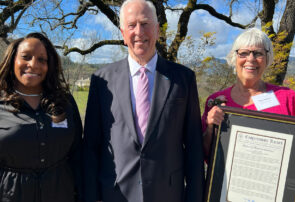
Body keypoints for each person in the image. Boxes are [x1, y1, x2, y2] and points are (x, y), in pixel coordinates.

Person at [83, 0, 204, 201]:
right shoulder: (101, 80)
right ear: (123, 34)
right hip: (116, 194)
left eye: (145, 23)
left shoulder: (183, 79)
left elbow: (193, 147)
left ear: (157, 30)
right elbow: (91, 147)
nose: (139, 31)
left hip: (168, 194)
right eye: (131, 25)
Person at [202, 28, 295, 201]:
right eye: (244, 53)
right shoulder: (217, 101)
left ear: (267, 59)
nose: (250, 59)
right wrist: (211, 126)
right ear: (234, 58)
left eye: (258, 53)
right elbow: (206, 155)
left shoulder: (286, 97)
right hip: (228, 193)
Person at [0, 32, 82, 202]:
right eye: (26, 57)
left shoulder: (64, 102)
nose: (33, 64)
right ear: (13, 60)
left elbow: (77, 153)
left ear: (49, 65)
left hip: (60, 194)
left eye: (41, 60)